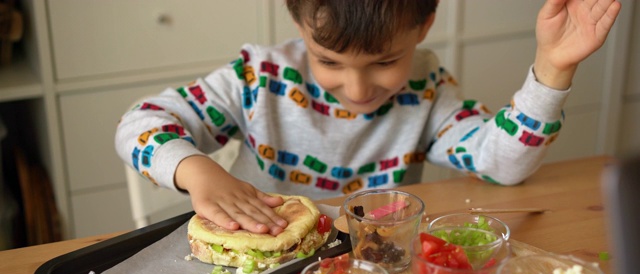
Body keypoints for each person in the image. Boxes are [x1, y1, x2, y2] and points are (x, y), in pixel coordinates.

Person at [115, 0, 620, 236]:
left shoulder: (427, 88)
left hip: (372, 268)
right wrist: (196, 169)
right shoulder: (259, 78)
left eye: (384, 62)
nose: (358, 90)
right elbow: (141, 122)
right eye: (329, 62)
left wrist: (554, 67)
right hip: (258, 269)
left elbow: (502, 163)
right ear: (298, 19)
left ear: (425, 23)